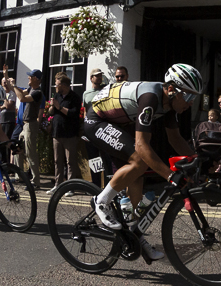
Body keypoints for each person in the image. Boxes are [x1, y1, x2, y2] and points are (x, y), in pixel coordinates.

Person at [81, 64, 203, 263]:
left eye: (194, 98)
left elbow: (176, 140)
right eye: (189, 97)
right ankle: (100, 201)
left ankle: (134, 233)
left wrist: (199, 161)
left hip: (119, 123)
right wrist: (170, 176)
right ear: (172, 89)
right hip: (96, 121)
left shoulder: (170, 105)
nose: (190, 103)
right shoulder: (151, 97)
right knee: (140, 159)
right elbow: (142, 145)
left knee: (137, 172)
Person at [47, 72, 83, 192]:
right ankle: (57, 185)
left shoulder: (75, 97)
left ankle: (70, 187)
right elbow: (51, 113)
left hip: (70, 134)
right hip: (57, 133)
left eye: (57, 85)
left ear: (64, 85)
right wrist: (52, 107)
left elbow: (73, 113)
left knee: (70, 162)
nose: (56, 87)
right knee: (57, 161)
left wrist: (59, 107)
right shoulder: (57, 96)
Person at [16, 70, 46, 188]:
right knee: (17, 149)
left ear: (36, 79)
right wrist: (7, 76)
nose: (28, 77)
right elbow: (20, 92)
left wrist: (13, 86)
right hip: (25, 125)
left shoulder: (37, 92)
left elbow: (22, 98)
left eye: (31, 76)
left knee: (30, 153)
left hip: (31, 125)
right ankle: (19, 176)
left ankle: (35, 181)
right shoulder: (30, 89)